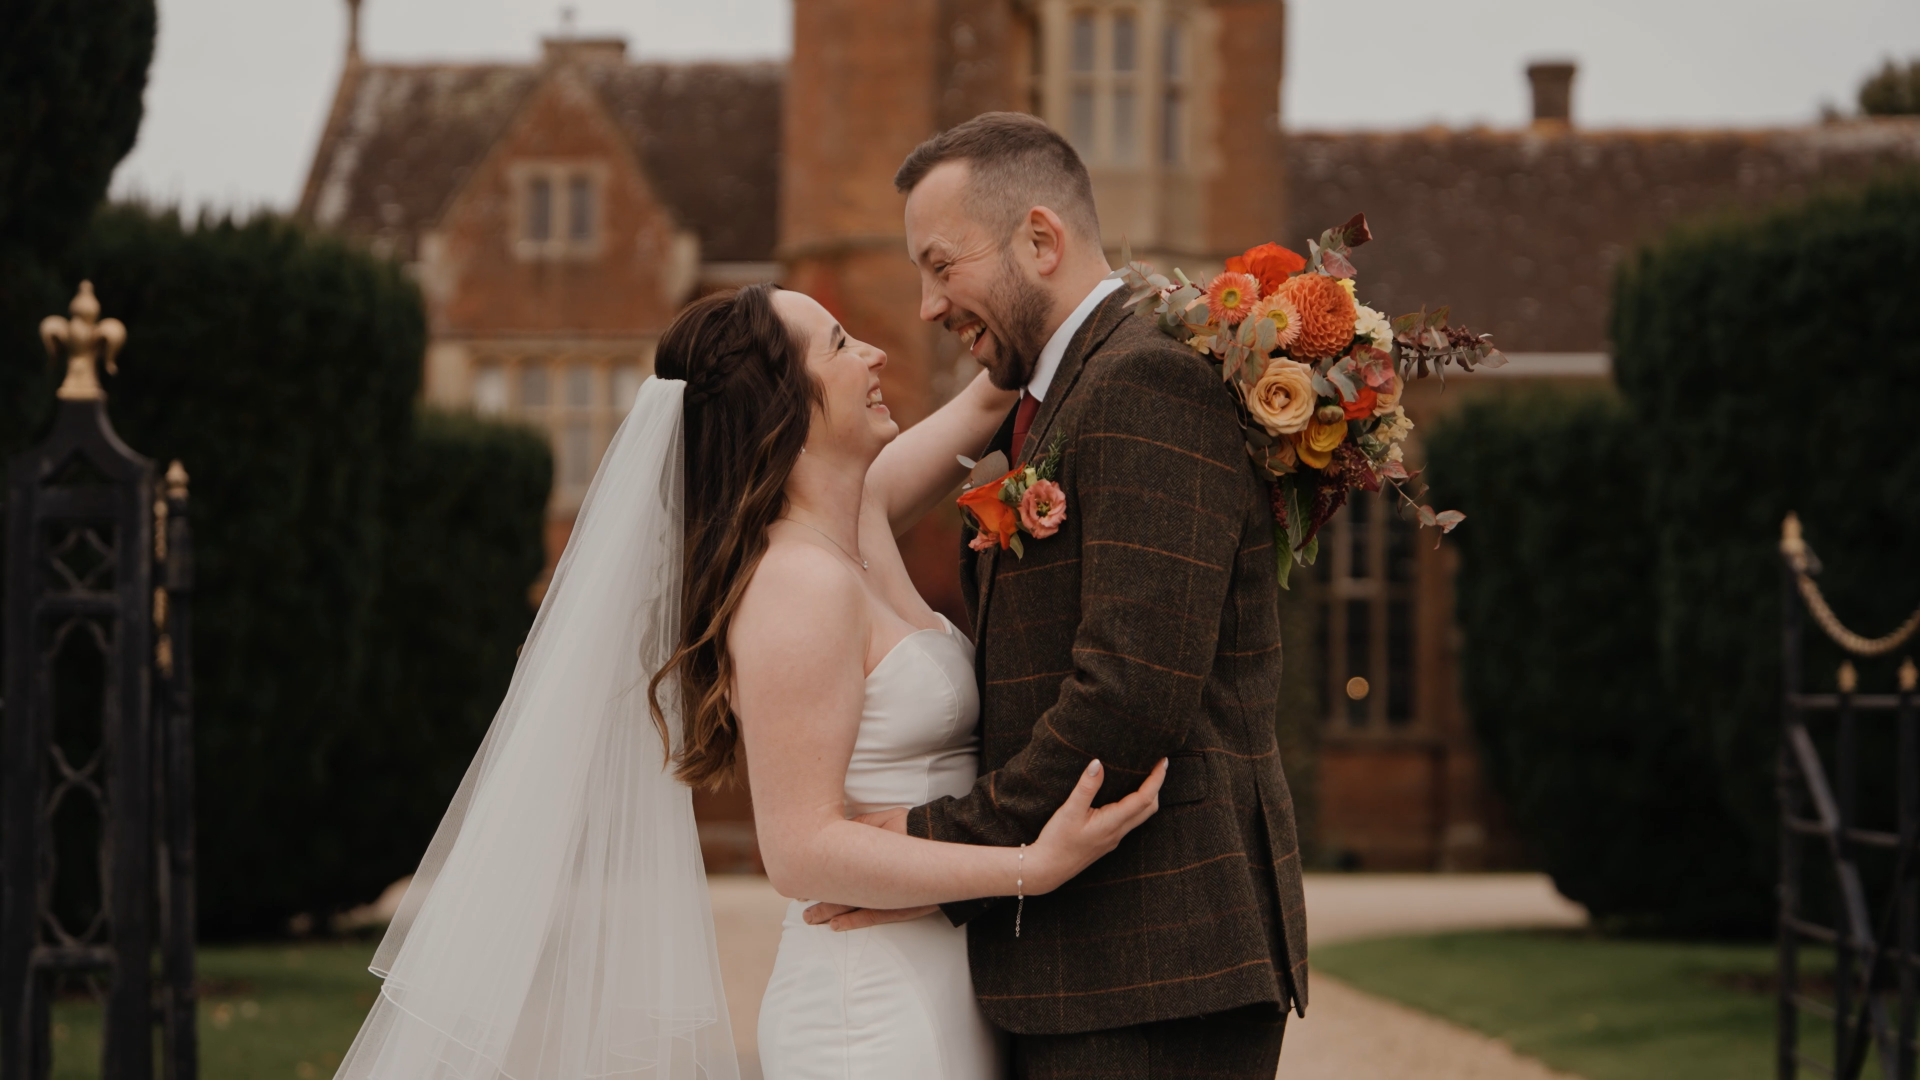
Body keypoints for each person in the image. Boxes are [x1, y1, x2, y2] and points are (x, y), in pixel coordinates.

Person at [331, 279, 1166, 1080]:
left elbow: (995, 394)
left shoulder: (858, 513)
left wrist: (1143, 306)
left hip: (944, 984)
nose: (875, 353)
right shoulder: (795, 583)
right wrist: (1028, 866)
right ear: (785, 405)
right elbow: (800, 852)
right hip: (870, 1012)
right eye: (840, 344)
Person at [805, 112, 1310, 1079]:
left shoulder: (1143, 379)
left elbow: (1128, 693)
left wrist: (936, 852)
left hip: (1154, 962)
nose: (924, 306)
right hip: (1096, 963)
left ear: (1040, 240)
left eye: (941, 265)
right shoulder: (1063, 392)